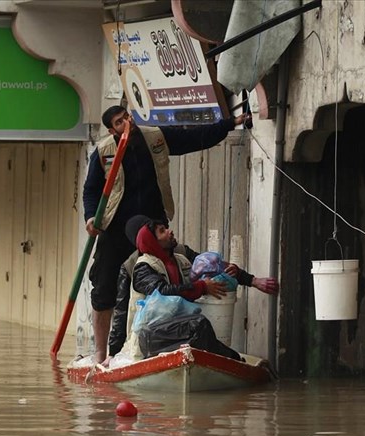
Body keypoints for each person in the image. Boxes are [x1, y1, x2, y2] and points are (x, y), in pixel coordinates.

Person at [84, 106, 250, 363]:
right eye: (119, 122)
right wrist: (90, 217)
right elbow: (91, 189)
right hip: (115, 228)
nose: (126, 123)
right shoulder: (104, 151)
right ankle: (100, 353)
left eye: (127, 117)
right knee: (103, 287)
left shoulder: (155, 137)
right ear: (111, 130)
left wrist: (231, 123)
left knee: (159, 283)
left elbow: (193, 137)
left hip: (152, 228)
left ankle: (151, 347)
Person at [107, 215, 279, 361]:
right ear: (151, 241)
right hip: (149, 333)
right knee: (197, 325)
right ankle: (233, 359)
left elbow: (209, 265)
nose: (170, 231)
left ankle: (229, 359)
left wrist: (243, 277)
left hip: (174, 325)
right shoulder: (141, 267)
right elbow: (160, 293)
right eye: (162, 231)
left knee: (198, 325)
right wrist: (112, 354)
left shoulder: (180, 257)